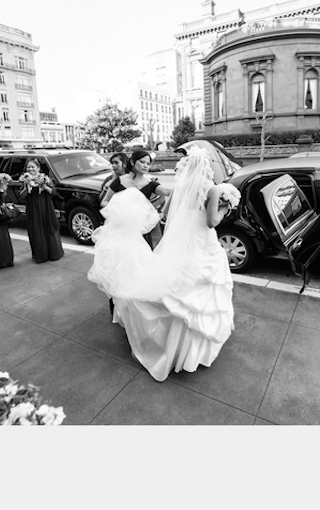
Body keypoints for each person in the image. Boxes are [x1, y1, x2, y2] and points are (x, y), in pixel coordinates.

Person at [88, 146, 235, 382]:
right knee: (198, 290)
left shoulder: (184, 187)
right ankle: (190, 348)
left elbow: (167, 213)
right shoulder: (213, 188)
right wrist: (225, 208)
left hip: (186, 244)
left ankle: (169, 340)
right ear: (207, 167)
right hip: (203, 243)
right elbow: (211, 222)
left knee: (178, 286)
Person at [100, 150, 172, 249]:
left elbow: (167, 192)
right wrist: (118, 211)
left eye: (148, 163)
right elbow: (104, 201)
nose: (145, 166)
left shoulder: (150, 184)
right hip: (121, 230)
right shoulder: (119, 181)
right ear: (133, 162)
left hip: (142, 232)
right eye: (142, 162)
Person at [19, 158, 64, 263]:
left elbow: (53, 193)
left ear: (38, 168)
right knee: (36, 230)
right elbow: (21, 196)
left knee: (50, 228)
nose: (30, 169)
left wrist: (44, 186)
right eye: (28, 167)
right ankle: (40, 255)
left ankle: (54, 253)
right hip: (33, 208)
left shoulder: (45, 178)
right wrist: (27, 186)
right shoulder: (25, 179)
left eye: (33, 167)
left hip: (46, 206)